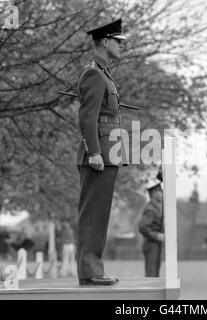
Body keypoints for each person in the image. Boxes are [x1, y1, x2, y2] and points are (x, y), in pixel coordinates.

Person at [76, 18, 128, 286]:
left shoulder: (104, 74)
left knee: (100, 215)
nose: (122, 46)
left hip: (108, 154)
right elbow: (87, 118)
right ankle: (90, 271)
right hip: (98, 157)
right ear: (105, 42)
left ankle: (93, 269)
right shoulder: (93, 74)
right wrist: (94, 152)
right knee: (92, 216)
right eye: (118, 41)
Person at [139, 176, 164, 277]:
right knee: (151, 275)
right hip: (151, 244)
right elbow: (142, 227)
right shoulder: (151, 209)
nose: (161, 193)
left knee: (155, 274)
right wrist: (157, 236)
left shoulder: (156, 207)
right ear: (153, 193)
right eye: (159, 191)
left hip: (156, 245)